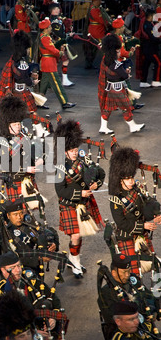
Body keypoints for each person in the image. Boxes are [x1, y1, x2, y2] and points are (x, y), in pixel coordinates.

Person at [54, 119, 105, 278]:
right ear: (65, 152)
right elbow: (60, 190)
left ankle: (72, 258)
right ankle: (75, 261)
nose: (75, 152)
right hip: (69, 204)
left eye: (76, 149)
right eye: (71, 150)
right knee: (75, 235)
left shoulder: (84, 163)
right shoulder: (61, 168)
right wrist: (80, 194)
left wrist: (96, 183)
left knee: (79, 235)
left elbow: (99, 174)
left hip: (83, 204)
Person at [108, 146, 161, 275]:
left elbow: (149, 202)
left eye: (132, 177)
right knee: (133, 272)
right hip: (127, 237)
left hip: (141, 235)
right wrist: (144, 225)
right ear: (120, 180)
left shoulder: (137, 190)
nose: (131, 181)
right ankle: (135, 292)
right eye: (127, 179)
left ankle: (156, 292)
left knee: (155, 266)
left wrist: (157, 213)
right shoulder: (116, 199)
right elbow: (122, 223)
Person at [97, 253, 161, 340]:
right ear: (114, 273)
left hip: (145, 327)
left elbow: (147, 295)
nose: (127, 275)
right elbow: (110, 318)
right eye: (124, 272)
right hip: (124, 336)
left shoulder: (133, 280)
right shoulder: (106, 292)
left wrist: (152, 310)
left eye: (129, 271)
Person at [0, 94, 44, 202]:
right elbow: (5, 164)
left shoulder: (24, 135)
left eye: (19, 124)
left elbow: (34, 147)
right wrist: (25, 169)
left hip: (28, 178)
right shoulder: (3, 142)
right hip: (15, 179)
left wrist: (39, 158)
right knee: (18, 211)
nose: (18, 126)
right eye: (14, 125)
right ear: (7, 126)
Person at [98, 33, 145, 134]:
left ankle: (103, 127)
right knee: (126, 107)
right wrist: (126, 73)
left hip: (109, 88)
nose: (120, 53)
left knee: (107, 108)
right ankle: (132, 126)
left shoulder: (105, 60)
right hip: (118, 89)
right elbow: (123, 76)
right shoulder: (116, 64)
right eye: (118, 51)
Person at [0, 29, 42, 133]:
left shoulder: (15, 61)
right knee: (28, 111)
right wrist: (32, 82)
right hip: (19, 91)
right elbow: (22, 77)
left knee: (29, 110)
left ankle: (37, 129)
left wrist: (30, 74)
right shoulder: (18, 62)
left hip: (20, 90)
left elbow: (24, 73)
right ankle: (36, 130)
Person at [0, 199, 58, 276]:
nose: (19, 217)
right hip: (18, 272)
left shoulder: (29, 223)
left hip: (37, 269)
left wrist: (53, 244)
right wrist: (39, 258)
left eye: (21, 213)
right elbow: (13, 256)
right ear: (8, 216)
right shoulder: (6, 232)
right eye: (15, 214)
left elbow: (49, 231)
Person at [38, 18, 76, 110]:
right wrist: (60, 53)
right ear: (46, 28)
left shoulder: (44, 36)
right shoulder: (46, 38)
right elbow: (52, 49)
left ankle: (38, 102)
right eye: (50, 26)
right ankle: (64, 102)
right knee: (57, 84)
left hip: (47, 63)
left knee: (44, 85)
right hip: (49, 64)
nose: (51, 28)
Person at [49, 1, 75, 87]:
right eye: (55, 9)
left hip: (59, 44)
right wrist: (68, 35)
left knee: (65, 61)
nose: (58, 10)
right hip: (56, 44)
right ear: (52, 10)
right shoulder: (54, 21)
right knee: (55, 63)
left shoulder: (58, 19)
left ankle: (64, 80)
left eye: (58, 8)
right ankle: (53, 81)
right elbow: (59, 34)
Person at [84, 0, 110, 70]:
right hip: (97, 31)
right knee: (103, 47)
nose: (99, 1)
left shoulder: (96, 8)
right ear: (95, 1)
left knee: (93, 49)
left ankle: (89, 63)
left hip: (96, 30)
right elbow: (101, 20)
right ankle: (106, 64)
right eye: (98, 0)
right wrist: (109, 23)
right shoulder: (94, 10)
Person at [138, 9, 161, 88]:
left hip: (147, 48)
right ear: (150, 16)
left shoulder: (147, 24)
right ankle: (156, 80)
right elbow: (153, 37)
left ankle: (143, 81)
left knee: (146, 65)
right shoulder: (148, 25)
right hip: (151, 48)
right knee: (158, 63)